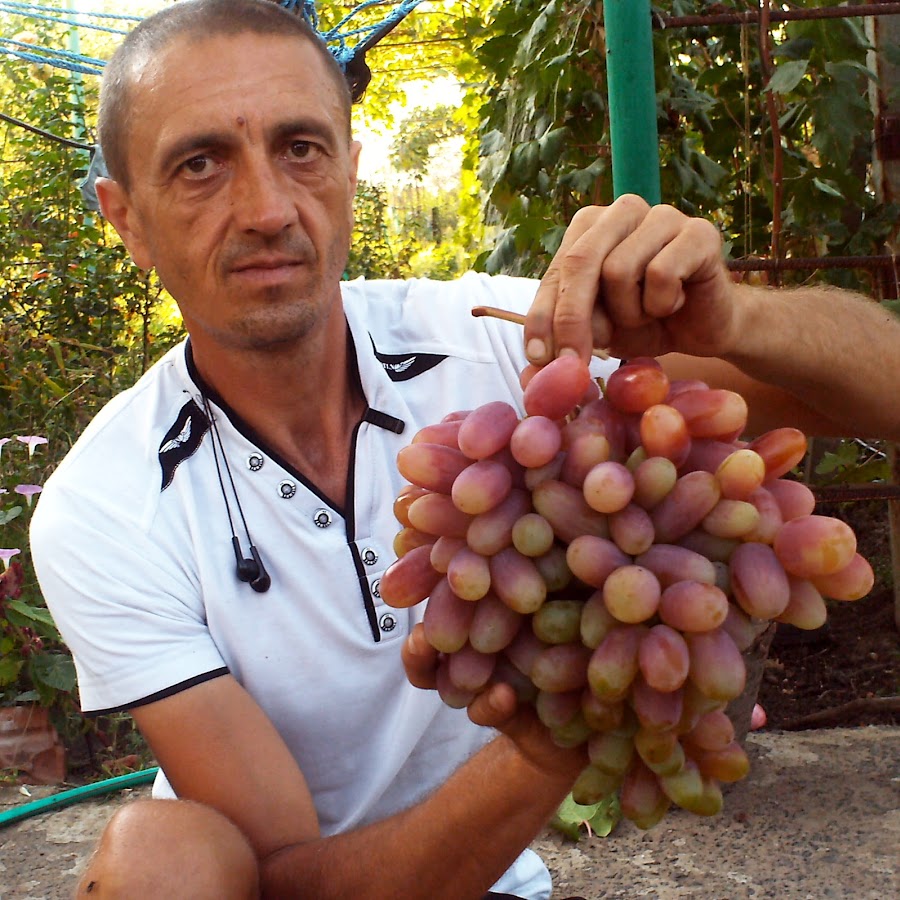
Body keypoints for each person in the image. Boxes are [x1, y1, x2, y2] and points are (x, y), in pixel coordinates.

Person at [28, 1, 900, 898]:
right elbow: (294, 880)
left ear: (351, 171)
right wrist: (566, 721)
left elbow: (887, 389)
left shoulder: (488, 340)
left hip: (485, 876)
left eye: (300, 147)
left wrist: (742, 319)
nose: (266, 208)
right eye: (201, 164)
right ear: (125, 218)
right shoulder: (106, 506)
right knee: (155, 864)